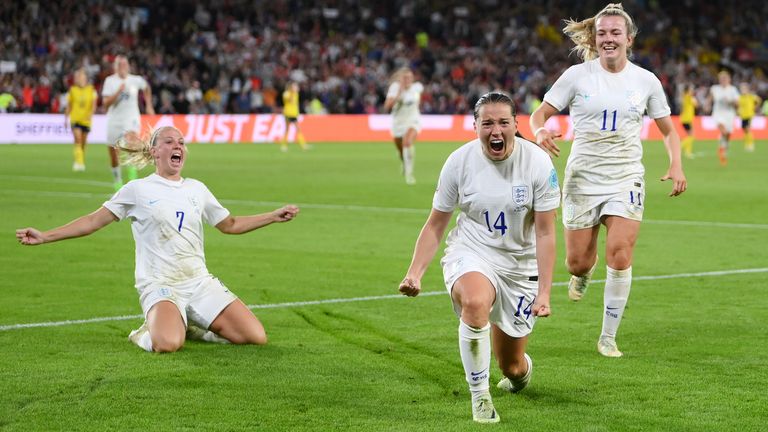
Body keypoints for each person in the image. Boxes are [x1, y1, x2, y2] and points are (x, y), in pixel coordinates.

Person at [16, 126, 300, 353]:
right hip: (161, 284)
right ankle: (142, 333)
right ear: (154, 151)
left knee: (255, 337)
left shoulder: (197, 189)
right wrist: (45, 236)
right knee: (167, 344)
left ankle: (193, 326)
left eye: (181, 142)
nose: (178, 145)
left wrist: (273, 216)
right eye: (169, 141)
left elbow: (230, 224)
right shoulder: (137, 189)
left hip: (198, 282)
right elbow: (92, 221)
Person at [529, 3, 687, 358]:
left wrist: (676, 165)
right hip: (583, 177)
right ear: (595, 38)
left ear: (629, 39)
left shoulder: (646, 81)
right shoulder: (576, 76)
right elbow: (539, 113)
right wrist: (539, 131)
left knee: (620, 254)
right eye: (602, 33)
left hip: (625, 175)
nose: (608, 39)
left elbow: (668, 130)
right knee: (577, 262)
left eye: (616, 33)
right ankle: (582, 273)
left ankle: (608, 337)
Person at [399, 92, 559, 423]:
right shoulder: (459, 162)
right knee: (474, 303)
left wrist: (544, 292)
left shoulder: (538, 163)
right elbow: (435, 226)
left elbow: (545, 233)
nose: (495, 131)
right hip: (472, 251)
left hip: (519, 266)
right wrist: (414, 273)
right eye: (487, 123)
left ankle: (518, 374)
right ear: (475, 126)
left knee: (511, 366)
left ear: (516, 124)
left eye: (503, 122)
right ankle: (480, 397)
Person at [101, 55, 155, 190]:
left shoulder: (135, 80)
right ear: (115, 67)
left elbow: (146, 87)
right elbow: (105, 104)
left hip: (131, 118)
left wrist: (148, 105)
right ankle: (117, 180)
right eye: (120, 65)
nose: (123, 67)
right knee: (114, 154)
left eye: (125, 64)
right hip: (115, 119)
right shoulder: (110, 81)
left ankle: (132, 180)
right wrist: (118, 92)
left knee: (131, 142)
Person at [384, 67, 423, 185]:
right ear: (400, 79)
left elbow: (417, 100)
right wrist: (399, 94)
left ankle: (409, 174)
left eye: (410, 78)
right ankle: (404, 162)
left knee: (407, 142)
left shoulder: (417, 87)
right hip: (398, 123)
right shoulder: (394, 88)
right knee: (401, 150)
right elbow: (387, 107)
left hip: (413, 120)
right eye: (405, 78)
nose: (408, 80)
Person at [65, 68, 98, 172]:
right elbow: (69, 106)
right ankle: (79, 163)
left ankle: (80, 160)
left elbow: (94, 105)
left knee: (83, 142)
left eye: (81, 76)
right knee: (77, 139)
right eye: (77, 77)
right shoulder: (72, 90)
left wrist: (91, 114)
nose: (79, 79)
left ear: (85, 78)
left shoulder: (91, 90)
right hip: (75, 118)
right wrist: (66, 118)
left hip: (86, 120)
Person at [707, 70, 739, 166]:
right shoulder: (715, 88)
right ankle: (721, 148)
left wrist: (730, 102)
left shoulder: (733, 90)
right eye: (721, 78)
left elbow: (737, 104)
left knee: (728, 133)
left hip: (729, 114)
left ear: (729, 79)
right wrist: (707, 105)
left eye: (725, 78)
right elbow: (710, 98)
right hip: (718, 113)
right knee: (724, 131)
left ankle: (723, 145)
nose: (723, 80)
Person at [280, 81, 308, 151]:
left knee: (289, 129)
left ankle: (284, 145)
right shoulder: (286, 94)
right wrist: (292, 93)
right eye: (295, 86)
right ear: (291, 87)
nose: (296, 88)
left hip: (293, 113)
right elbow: (290, 100)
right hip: (288, 113)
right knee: (293, 129)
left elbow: (295, 104)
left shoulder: (296, 94)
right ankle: (302, 145)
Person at [737, 82, 762, 152]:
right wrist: (739, 111)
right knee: (744, 130)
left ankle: (750, 144)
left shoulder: (751, 96)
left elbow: (759, 100)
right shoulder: (740, 97)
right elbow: (739, 106)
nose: (743, 90)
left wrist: (755, 107)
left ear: (747, 89)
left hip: (749, 115)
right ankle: (746, 144)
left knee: (747, 129)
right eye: (742, 89)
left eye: (744, 89)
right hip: (743, 116)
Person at [679, 84, 698, 159]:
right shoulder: (688, 96)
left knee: (690, 135)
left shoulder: (686, 97)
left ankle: (688, 152)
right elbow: (696, 104)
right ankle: (680, 146)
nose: (692, 90)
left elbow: (696, 105)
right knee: (691, 135)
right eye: (691, 89)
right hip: (686, 119)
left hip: (686, 119)